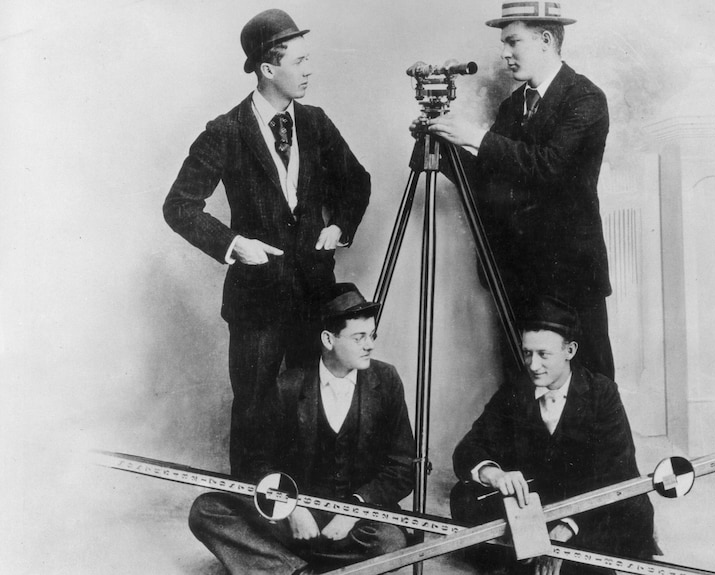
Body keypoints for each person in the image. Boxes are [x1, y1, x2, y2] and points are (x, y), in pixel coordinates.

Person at [163, 9, 371, 476]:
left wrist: (339, 226)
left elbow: (357, 181)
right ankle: (252, 515)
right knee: (256, 407)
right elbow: (179, 205)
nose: (308, 70)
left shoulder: (316, 123)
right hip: (256, 299)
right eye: (298, 62)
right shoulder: (226, 130)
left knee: (307, 403)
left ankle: (304, 508)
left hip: (314, 297)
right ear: (267, 69)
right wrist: (234, 243)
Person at [415, 1, 615, 380]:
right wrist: (444, 149)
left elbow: (549, 168)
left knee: (588, 388)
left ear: (544, 39)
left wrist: (475, 136)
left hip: (570, 279)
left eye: (513, 42)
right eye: (503, 43)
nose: (504, 53)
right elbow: (491, 182)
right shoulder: (513, 106)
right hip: (519, 277)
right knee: (524, 390)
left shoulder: (585, 99)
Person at [188, 283, 414, 575]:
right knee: (207, 511)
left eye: (371, 336)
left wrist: (355, 510)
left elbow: (402, 467)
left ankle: (275, 563)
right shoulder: (288, 386)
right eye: (359, 337)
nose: (369, 345)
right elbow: (255, 460)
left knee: (392, 541)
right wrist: (290, 507)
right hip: (297, 518)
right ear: (328, 339)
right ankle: (296, 569)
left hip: (355, 523)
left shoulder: (386, 380)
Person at [450, 295, 658, 575]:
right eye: (527, 353)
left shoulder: (601, 394)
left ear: (569, 350)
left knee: (630, 509)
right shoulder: (515, 392)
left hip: (590, 508)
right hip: (541, 504)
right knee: (463, 496)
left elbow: (616, 475)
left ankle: (551, 555)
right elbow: (468, 448)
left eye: (543, 354)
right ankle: (535, 552)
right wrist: (495, 474)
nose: (533, 365)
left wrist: (566, 531)